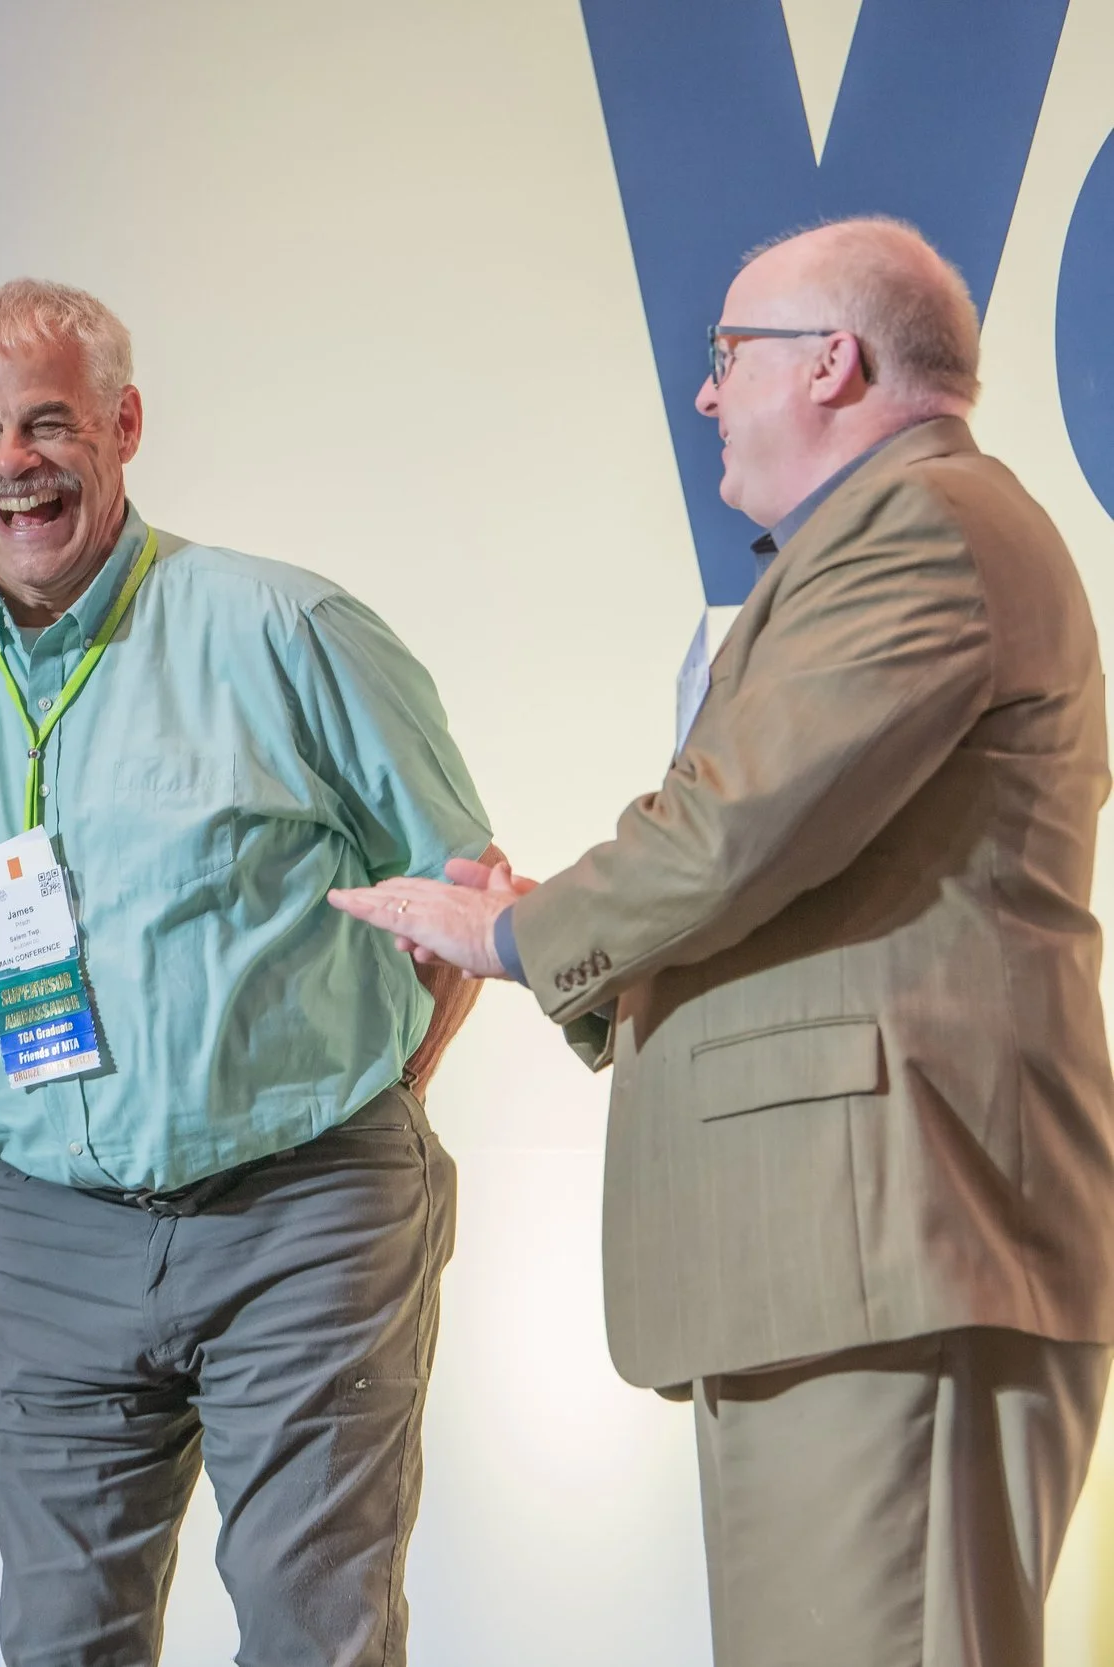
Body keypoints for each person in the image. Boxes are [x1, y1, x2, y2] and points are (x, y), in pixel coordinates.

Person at [332, 216, 1114, 1667]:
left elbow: (734, 831)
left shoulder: (927, 526)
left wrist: (517, 930)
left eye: (725, 355)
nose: (706, 393)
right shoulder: (887, 537)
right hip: (847, 1260)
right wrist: (559, 936)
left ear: (836, 360)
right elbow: (778, 865)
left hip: (900, 1250)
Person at [0, 278, 497, 1666]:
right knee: (63, 1639)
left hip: (304, 1214)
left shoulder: (285, 631)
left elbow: (467, 901)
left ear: (124, 426)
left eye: (50, 424)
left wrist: (364, 1103)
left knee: (313, 1630)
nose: (11, 465)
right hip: (53, 1238)